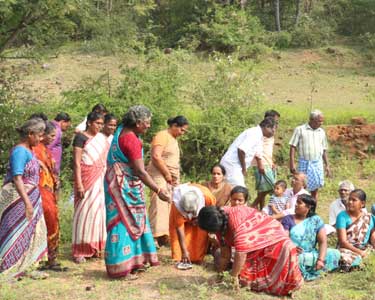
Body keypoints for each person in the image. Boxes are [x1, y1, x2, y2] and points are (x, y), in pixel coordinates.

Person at [104, 105, 169, 279]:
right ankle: (120, 268)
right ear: (138, 123)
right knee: (122, 223)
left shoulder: (120, 131)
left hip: (117, 183)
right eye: (147, 123)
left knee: (130, 221)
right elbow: (140, 171)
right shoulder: (131, 139)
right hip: (123, 186)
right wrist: (158, 190)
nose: (149, 126)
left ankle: (134, 262)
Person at [198, 206, 303, 296]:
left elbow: (241, 254)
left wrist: (233, 279)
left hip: (275, 239)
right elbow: (225, 254)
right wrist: (220, 275)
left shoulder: (237, 225)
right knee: (246, 280)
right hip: (253, 244)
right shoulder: (218, 221)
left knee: (279, 282)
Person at [0, 119, 47, 278]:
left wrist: (38, 162)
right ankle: (9, 269)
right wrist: (27, 203)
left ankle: (25, 267)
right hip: (17, 199)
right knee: (14, 233)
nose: (40, 139)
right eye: (39, 136)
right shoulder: (20, 151)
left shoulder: (28, 150)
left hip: (28, 197)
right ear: (30, 134)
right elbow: (18, 177)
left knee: (29, 232)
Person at [72, 112, 109, 263]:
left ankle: (95, 247)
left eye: (101, 124)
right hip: (86, 178)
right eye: (97, 123)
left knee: (99, 212)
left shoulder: (102, 139)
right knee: (84, 212)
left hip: (100, 179)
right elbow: (76, 163)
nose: (99, 126)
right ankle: (80, 249)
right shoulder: (80, 137)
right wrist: (79, 184)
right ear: (89, 123)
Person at [148, 116, 189, 248]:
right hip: (160, 175)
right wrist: (166, 173)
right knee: (158, 204)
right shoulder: (162, 135)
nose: (183, 133)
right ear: (174, 125)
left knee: (170, 205)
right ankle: (154, 237)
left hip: (170, 178)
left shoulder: (173, 139)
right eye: (182, 130)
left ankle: (164, 236)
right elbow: (156, 156)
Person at [281, 194, 340, 281]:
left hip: (311, 253)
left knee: (334, 253)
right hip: (293, 253)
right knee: (297, 259)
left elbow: (323, 242)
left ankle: (317, 265)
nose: (296, 205)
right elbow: (284, 239)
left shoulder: (316, 220)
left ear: (308, 207)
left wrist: (320, 260)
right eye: (296, 202)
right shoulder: (288, 219)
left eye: (299, 203)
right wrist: (292, 247)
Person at [33, 121, 64, 271]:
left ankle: (51, 259)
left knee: (52, 221)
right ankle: (41, 260)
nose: (53, 139)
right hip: (40, 191)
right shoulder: (35, 150)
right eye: (51, 136)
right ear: (42, 135)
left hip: (49, 191)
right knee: (46, 221)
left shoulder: (45, 149)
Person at [220, 117, 276, 187]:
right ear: (267, 127)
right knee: (240, 192)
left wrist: (260, 165)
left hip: (233, 165)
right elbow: (241, 150)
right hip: (232, 165)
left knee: (228, 192)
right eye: (273, 131)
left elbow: (257, 153)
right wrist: (244, 168)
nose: (273, 133)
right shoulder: (255, 134)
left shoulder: (258, 134)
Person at [169, 183, 216, 267]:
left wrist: (199, 220)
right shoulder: (177, 205)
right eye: (187, 212)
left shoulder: (207, 197)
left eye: (191, 212)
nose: (189, 215)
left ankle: (197, 257)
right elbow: (179, 228)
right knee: (177, 236)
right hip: (180, 213)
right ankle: (180, 256)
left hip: (202, 214)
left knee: (200, 233)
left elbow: (211, 214)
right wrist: (184, 251)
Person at [289, 109, 331, 201]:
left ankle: (312, 208)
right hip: (304, 162)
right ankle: (300, 206)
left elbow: (324, 149)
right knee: (300, 187)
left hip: (317, 163)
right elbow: (292, 146)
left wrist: (327, 165)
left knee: (315, 189)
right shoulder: (300, 130)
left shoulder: (321, 132)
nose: (321, 123)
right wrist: (292, 163)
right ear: (312, 120)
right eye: (319, 121)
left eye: (322, 121)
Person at [337, 189, 375, 271]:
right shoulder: (342, 216)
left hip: (364, 248)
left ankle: (362, 262)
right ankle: (359, 263)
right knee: (343, 257)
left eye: (354, 200)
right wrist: (360, 252)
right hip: (347, 249)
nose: (350, 202)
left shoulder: (369, 217)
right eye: (349, 199)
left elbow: (373, 237)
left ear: (362, 204)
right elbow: (343, 242)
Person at [251, 110, 280, 210]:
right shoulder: (261, 132)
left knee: (262, 188)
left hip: (268, 162)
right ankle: (253, 205)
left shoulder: (271, 130)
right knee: (271, 186)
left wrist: (272, 161)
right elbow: (256, 148)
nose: (277, 122)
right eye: (276, 120)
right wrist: (260, 163)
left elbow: (268, 148)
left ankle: (261, 209)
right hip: (261, 162)